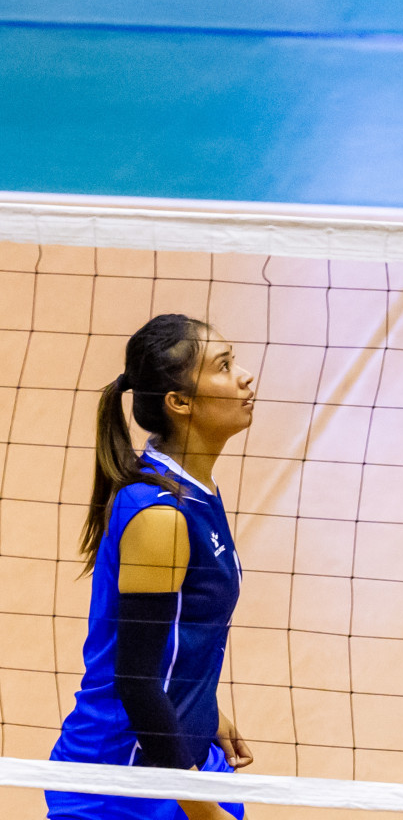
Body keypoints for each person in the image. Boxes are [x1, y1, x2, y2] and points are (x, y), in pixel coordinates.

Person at [49, 315, 255, 819]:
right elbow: (137, 680)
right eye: (224, 367)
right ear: (180, 402)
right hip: (122, 778)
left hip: (171, 749)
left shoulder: (190, 487)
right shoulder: (162, 516)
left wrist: (204, 709)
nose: (245, 376)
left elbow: (172, 636)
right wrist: (203, 811)